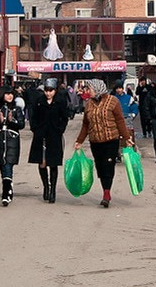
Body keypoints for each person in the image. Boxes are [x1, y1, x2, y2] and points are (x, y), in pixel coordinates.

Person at [74, 79, 134, 208]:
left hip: (111, 140)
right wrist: (79, 141)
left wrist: (127, 137)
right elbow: (85, 124)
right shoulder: (89, 104)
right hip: (95, 141)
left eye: (90, 89)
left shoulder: (113, 101)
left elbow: (120, 120)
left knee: (108, 166)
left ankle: (106, 194)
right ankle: (105, 189)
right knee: (100, 167)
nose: (88, 91)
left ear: (97, 89)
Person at [29, 78, 71, 203]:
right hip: (41, 135)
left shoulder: (60, 101)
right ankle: (45, 186)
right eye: (46, 91)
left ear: (55, 90)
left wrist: (60, 129)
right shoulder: (39, 101)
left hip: (54, 135)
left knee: (53, 163)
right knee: (42, 162)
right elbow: (33, 117)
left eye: (51, 91)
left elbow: (64, 117)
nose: (48, 93)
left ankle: (53, 189)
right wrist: (35, 129)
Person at [0, 87, 26, 206]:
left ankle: (6, 193)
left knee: (8, 165)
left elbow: (21, 124)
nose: (10, 96)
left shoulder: (17, 109)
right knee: (2, 165)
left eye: (11, 94)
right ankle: (8, 188)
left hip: (12, 140)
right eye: (7, 94)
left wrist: (12, 120)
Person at [112, 82, 138, 147]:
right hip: (116, 122)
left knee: (129, 139)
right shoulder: (113, 99)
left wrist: (133, 114)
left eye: (120, 88)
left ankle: (130, 153)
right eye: (117, 88)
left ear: (122, 89)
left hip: (127, 121)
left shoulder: (129, 98)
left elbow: (134, 107)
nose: (118, 90)